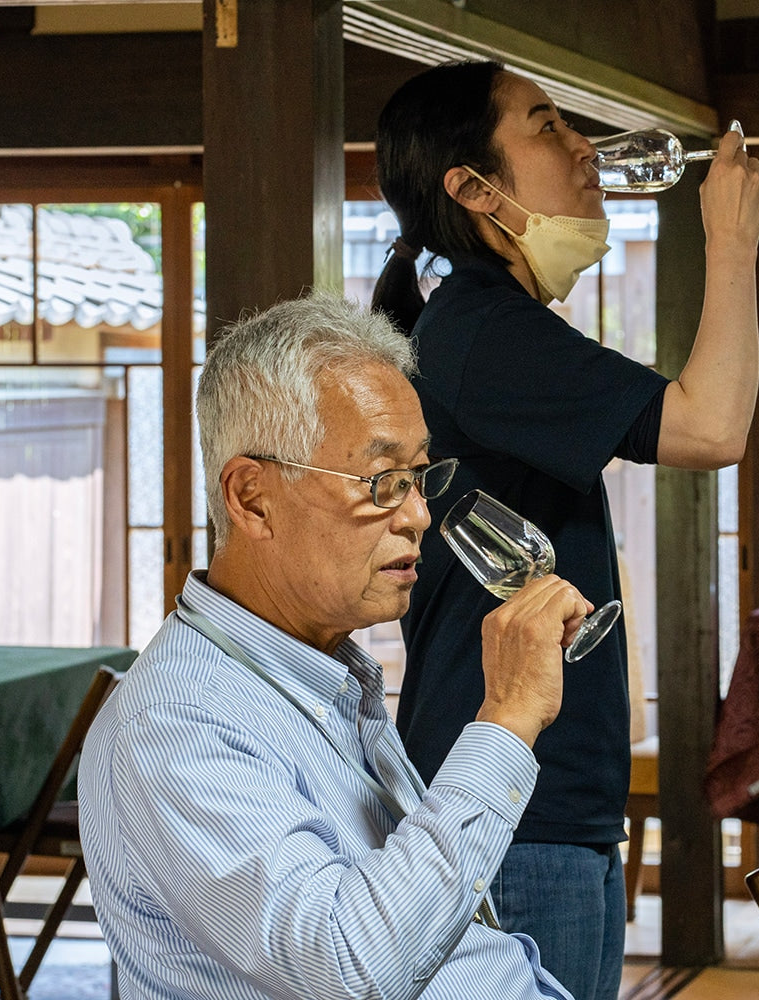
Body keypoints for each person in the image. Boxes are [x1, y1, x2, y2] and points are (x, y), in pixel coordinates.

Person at [372, 60, 759, 1000]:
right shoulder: (482, 328)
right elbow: (711, 427)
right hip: (515, 799)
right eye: (545, 126)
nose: (583, 147)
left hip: (540, 793)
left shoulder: (487, 321)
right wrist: (732, 243)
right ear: (472, 189)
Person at [78, 292, 594, 1000]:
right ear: (252, 498)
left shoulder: (323, 675)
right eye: (383, 482)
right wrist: (505, 718)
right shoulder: (178, 721)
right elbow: (350, 966)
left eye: (419, 478)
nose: (417, 516)